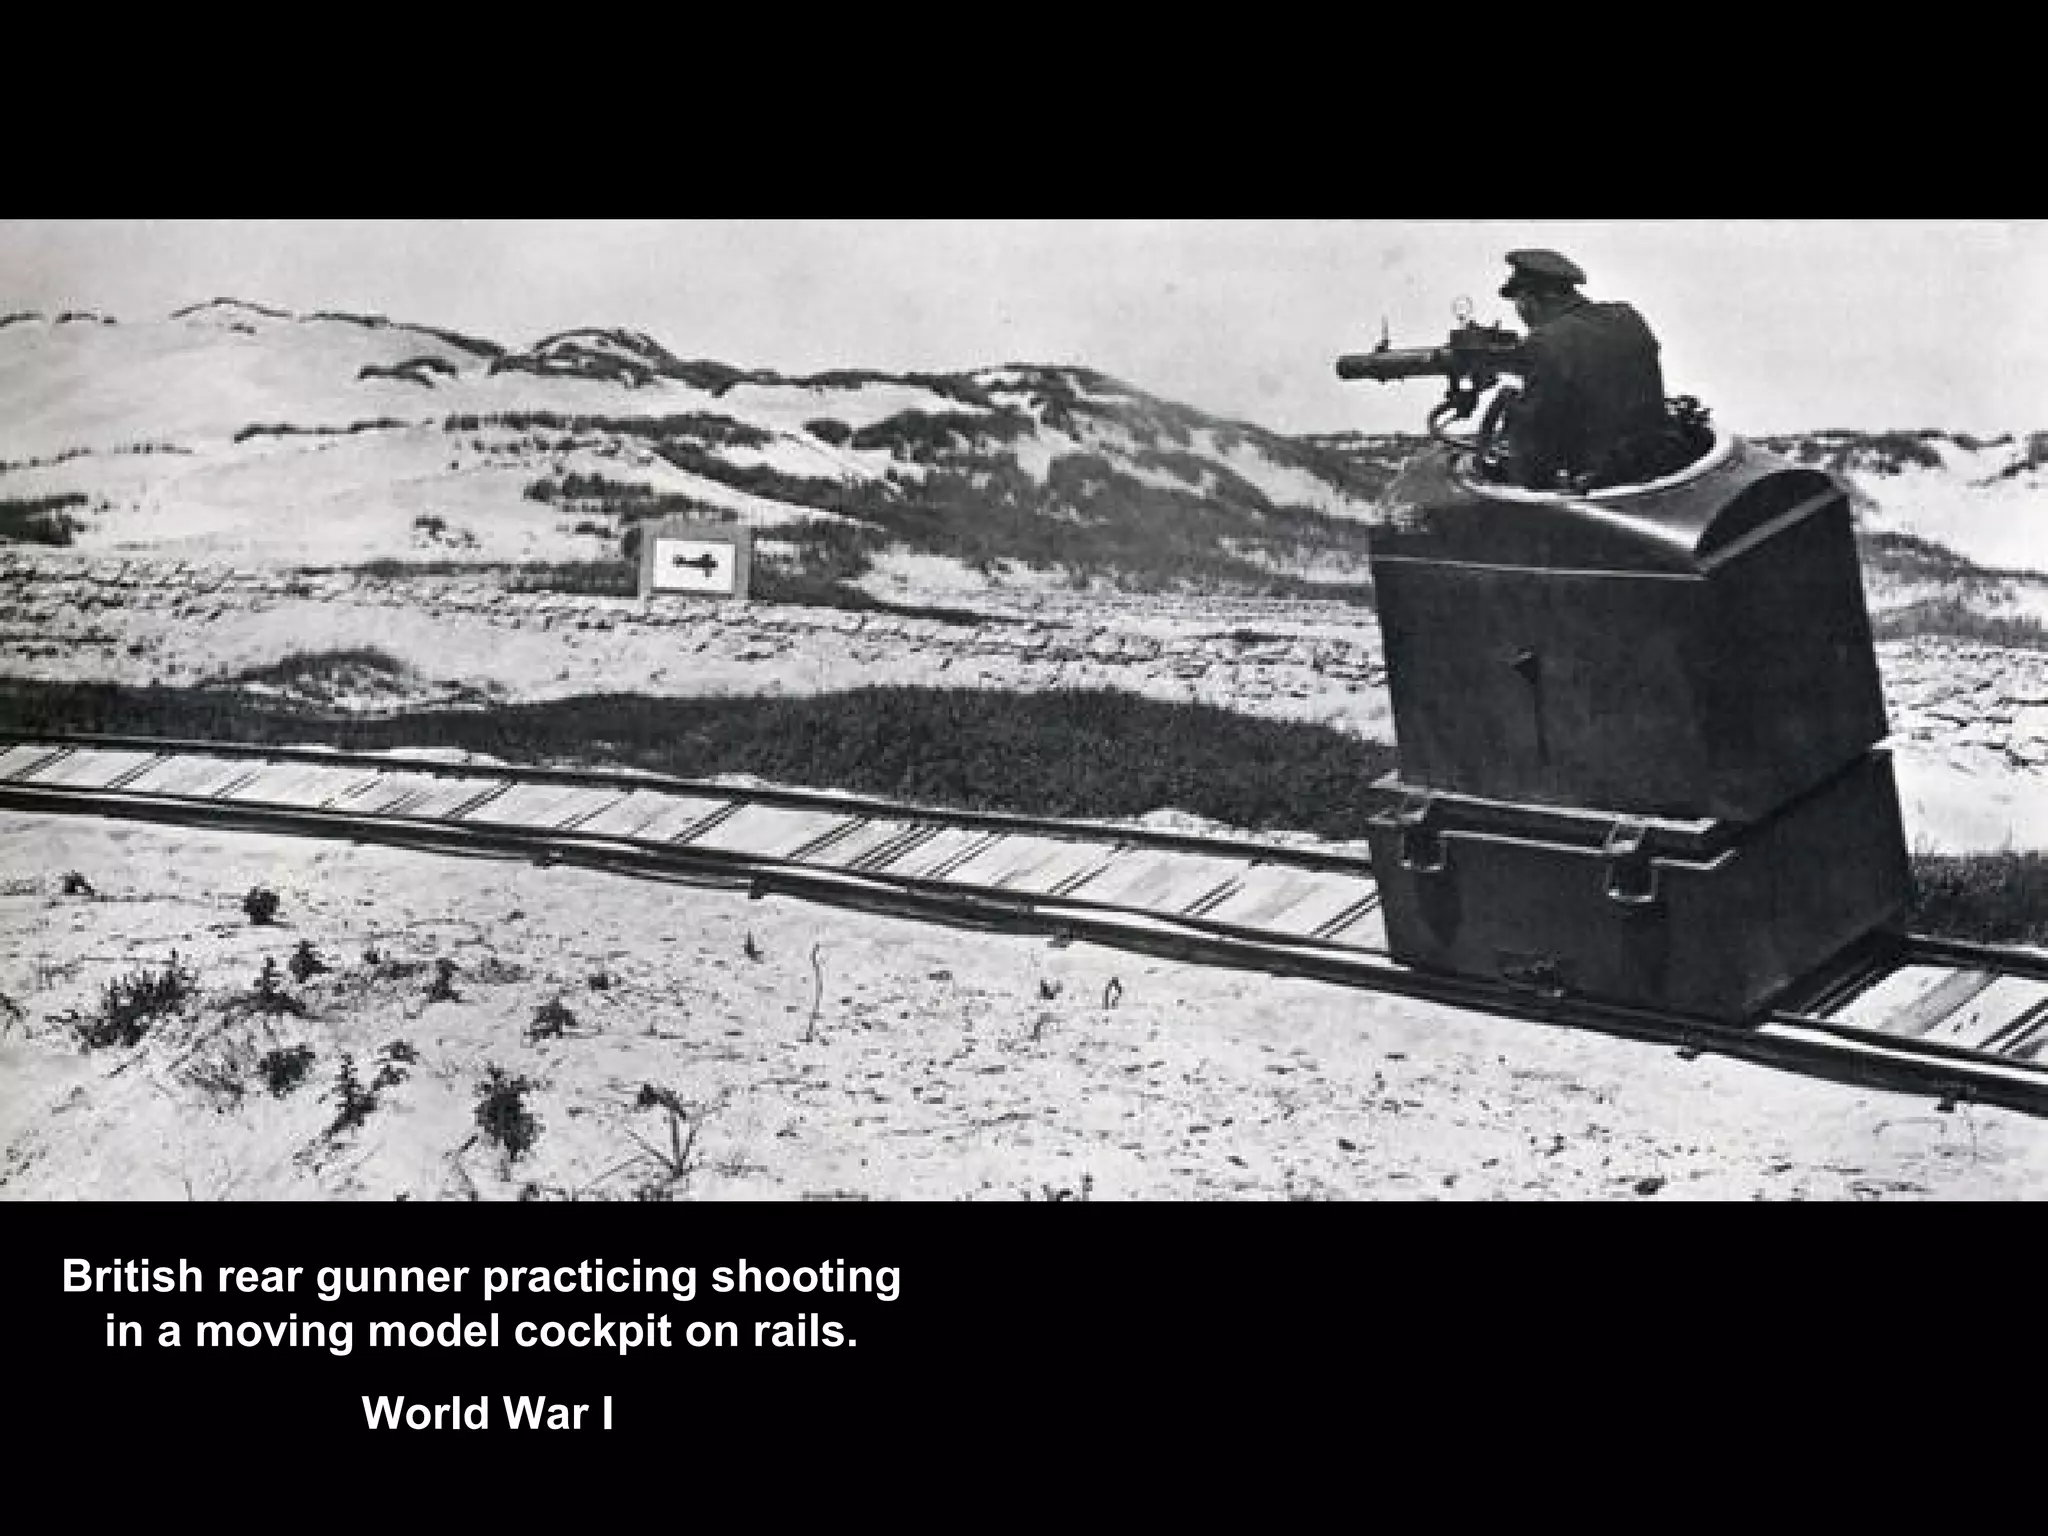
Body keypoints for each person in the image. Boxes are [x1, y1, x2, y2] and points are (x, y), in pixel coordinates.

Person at [1493, 249, 1680, 491]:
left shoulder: (1545, 342)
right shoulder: (1627, 317)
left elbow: (1535, 455)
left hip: (1598, 484)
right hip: (1656, 465)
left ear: (1529, 300)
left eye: (1518, 302)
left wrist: (1512, 411)